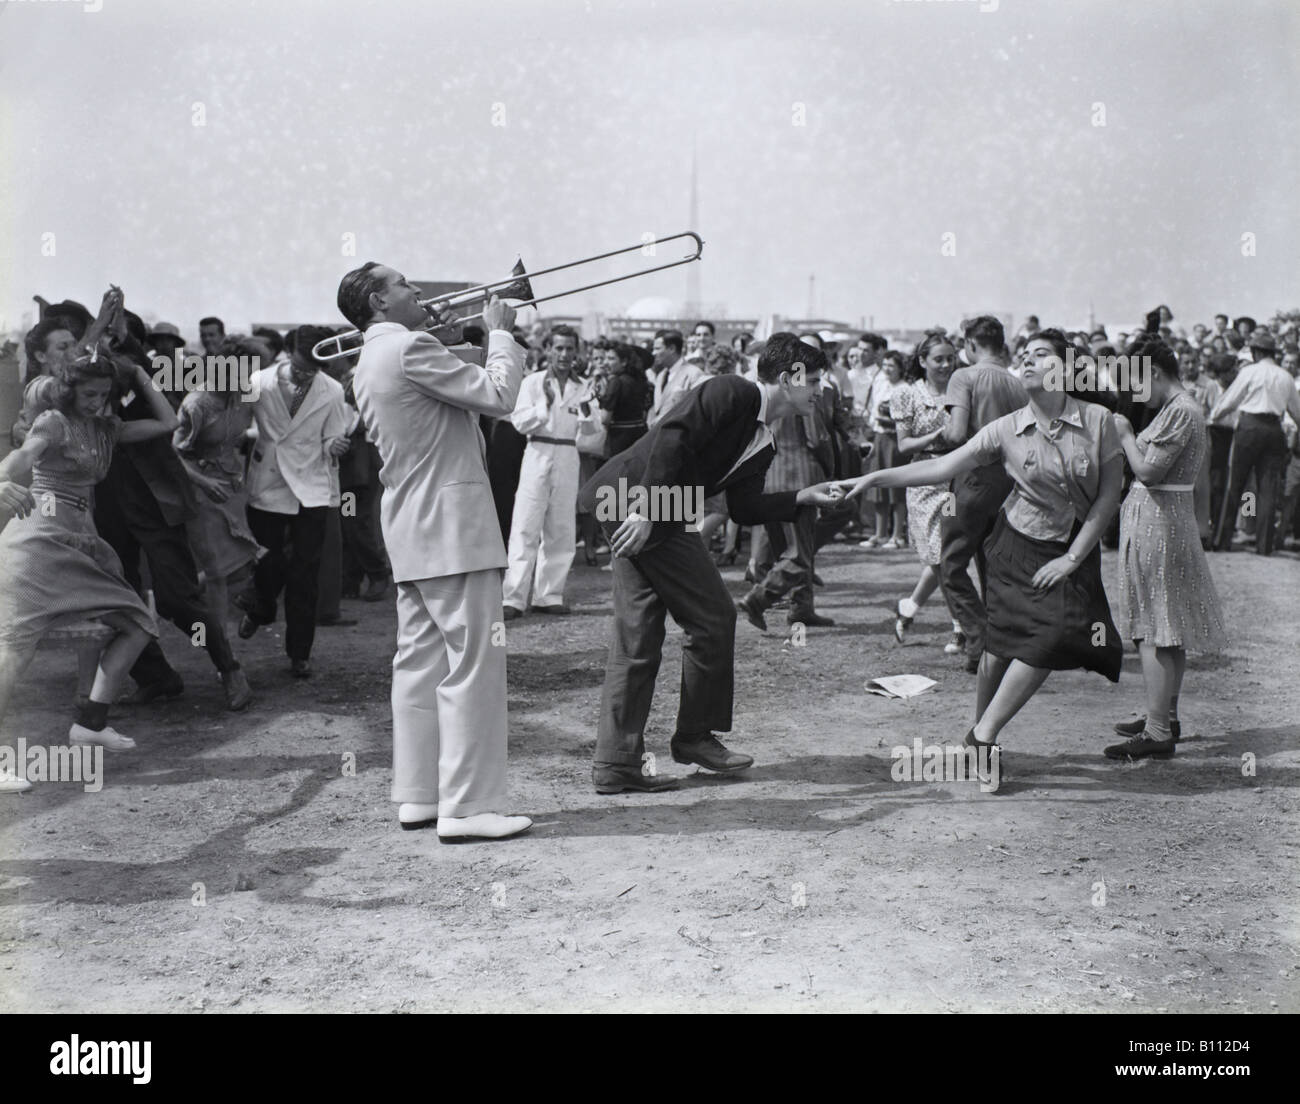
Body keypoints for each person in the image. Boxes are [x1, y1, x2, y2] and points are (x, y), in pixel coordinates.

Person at [841, 329, 1125, 778]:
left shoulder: (1101, 421)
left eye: (1043, 355)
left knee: (1052, 638)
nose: (1029, 361)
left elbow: (1110, 493)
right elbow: (940, 465)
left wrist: (1073, 557)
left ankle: (982, 735)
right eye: (1025, 355)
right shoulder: (1005, 428)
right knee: (1000, 646)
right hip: (1014, 546)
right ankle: (982, 740)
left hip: (1071, 548)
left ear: (1068, 369)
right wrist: (874, 480)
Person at [578, 333, 844, 795]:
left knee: (638, 635)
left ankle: (616, 763)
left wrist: (803, 497)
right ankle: (694, 737)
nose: (820, 390)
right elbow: (672, 437)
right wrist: (644, 509)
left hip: (644, 507)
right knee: (714, 617)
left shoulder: (763, 440)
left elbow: (744, 507)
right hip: (636, 503)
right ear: (787, 378)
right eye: (814, 380)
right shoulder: (732, 391)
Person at [340, 261, 530, 842]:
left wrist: (451, 340)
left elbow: (444, 394)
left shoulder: (374, 356)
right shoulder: (408, 350)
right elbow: (498, 396)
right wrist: (499, 331)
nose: (417, 290)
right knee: (474, 666)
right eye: (402, 284)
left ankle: (421, 795)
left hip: (413, 528)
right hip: (454, 527)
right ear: (377, 300)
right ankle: (470, 808)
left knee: (420, 667)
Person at [0, 351, 173, 760]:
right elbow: (20, 458)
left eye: (104, 393)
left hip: (78, 544)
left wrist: (141, 375)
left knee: (138, 624)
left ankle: (90, 724)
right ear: (67, 391)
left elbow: (169, 422)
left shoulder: (106, 428)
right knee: (16, 647)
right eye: (88, 394)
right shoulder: (53, 422)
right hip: (38, 542)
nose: (96, 401)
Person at [1107, 336, 1227, 760]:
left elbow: (1148, 471)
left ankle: (1158, 732)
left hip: (1158, 520)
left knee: (1153, 633)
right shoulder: (1184, 408)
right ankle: (1164, 716)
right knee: (1168, 629)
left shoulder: (1179, 411)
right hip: (1166, 518)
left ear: (1153, 373)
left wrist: (1124, 434)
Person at [236, 325, 350, 677]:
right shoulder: (259, 382)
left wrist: (335, 446)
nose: (304, 377)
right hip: (269, 481)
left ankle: (300, 652)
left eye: (313, 370)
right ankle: (261, 608)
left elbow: (332, 435)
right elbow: (239, 424)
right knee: (266, 562)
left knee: (305, 573)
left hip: (311, 485)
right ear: (287, 353)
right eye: (300, 369)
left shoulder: (331, 390)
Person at [171, 335, 262, 711]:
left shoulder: (243, 398)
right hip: (202, 494)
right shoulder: (196, 404)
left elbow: (248, 435)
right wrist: (204, 480)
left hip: (234, 488)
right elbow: (173, 454)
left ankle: (227, 619)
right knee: (217, 572)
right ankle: (224, 658)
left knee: (246, 563)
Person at [938, 316, 1028, 672]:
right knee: (993, 567)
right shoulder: (1018, 382)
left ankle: (978, 639)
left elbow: (957, 434)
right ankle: (1000, 643)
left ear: (971, 344)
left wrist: (940, 431)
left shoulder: (964, 376)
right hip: (1008, 483)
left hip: (970, 479)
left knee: (951, 565)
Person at [501, 325, 597, 617]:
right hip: (538, 451)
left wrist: (587, 419)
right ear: (548, 350)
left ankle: (549, 594)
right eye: (559, 348)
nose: (565, 354)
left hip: (568, 453)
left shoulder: (585, 386)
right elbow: (518, 421)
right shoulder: (533, 382)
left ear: (576, 351)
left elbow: (595, 437)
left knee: (561, 528)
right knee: (525, 524)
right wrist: (544, 408)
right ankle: (513, 598)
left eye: (570, 348)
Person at [888, 333, 962, 647]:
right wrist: (938, 435)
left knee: (948, 553)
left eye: (950, 358)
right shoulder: (907, 394)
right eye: (938, 359)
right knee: (939, 555)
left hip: (957, 478)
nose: (946, 365)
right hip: (922, 481)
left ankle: (912, 607)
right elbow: (904, 445)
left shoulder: (963, 390)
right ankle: (961, 623)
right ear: (922, 361)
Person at [1208, 329, 1300, 555]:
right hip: (1274, 429)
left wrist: (1214, 416)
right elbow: (1297, 413)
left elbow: (1230, 400)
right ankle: (1264, 545)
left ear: (1257, 352)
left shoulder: (1250, 372)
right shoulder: (1286, 377)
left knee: (1235, 484)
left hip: (1249, 428)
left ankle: (1223, 540)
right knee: (1268, 488)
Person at [860, 350, 907, 549]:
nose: (887, 369)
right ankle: (879, 533)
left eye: (891, 366)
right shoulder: (880, 383)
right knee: (878, 488)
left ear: (900, 368)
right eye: (885, 365)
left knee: (896, 489)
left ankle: (896, 535)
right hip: (879, 438)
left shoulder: (905, 388)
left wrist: (887, 419)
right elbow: (871, 411)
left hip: (896, 441)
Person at [647, 328, 703, 425]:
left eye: (657, 349)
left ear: (672, 349)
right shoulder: (661, 375)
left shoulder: (694, 374)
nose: (653, 353)